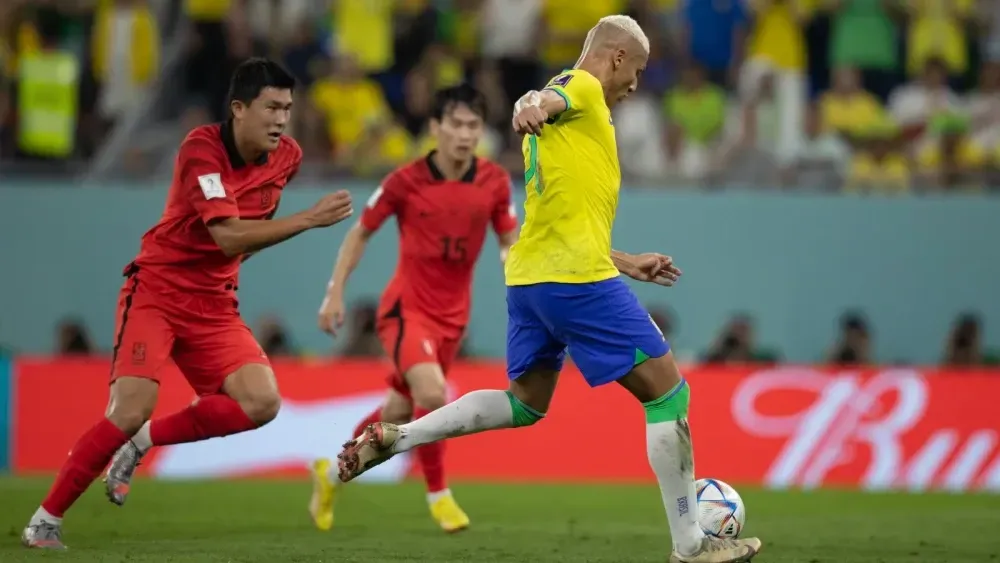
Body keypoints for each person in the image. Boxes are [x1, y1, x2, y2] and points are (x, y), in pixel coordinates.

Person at [335, 16, 763, 563]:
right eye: (636, 69)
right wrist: (527, 104)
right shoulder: (581, 88)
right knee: (668, 393)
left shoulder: (577, 117)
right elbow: (544, 97)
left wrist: (627, 260)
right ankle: (691, 545)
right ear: (615, 57)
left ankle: (400, 436)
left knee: (525, 403)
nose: (636, 83)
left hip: (531, 279)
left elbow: (564, 210)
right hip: (575, 279)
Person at [21, 58, 355, 550]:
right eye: (271, 107)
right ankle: (44, 521)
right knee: (131, 407)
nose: (281, 119)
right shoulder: (201, 150)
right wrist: (308, 220)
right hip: (158, 290)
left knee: (261, 402)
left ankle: (143, 443)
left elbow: (243, 240)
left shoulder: (288, 157)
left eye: (287, 108)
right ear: (238, 108)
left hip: (214, 302)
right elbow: (227, 236)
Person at [311, 84, 518, 533]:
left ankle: (330, 473)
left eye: (474, 126)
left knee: (399, 413)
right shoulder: (404, 181)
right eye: (457, 124)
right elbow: (360, 233)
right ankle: (439, 495)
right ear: (435, 128)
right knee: (431, 396)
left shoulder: (495, 183)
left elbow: (508, 241)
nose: (465, 135)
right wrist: (334, 291)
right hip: (407, 311)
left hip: (453, 319)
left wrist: (516, 274)